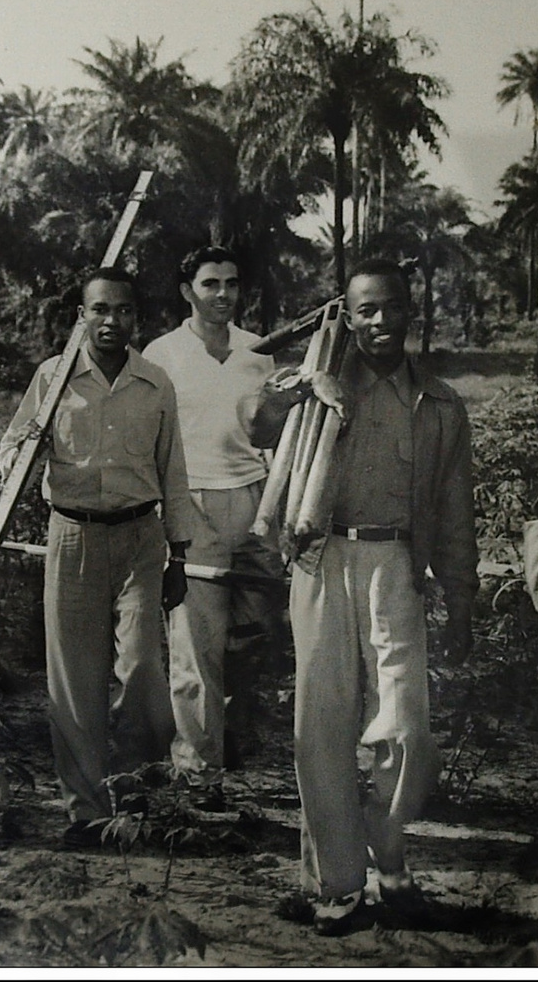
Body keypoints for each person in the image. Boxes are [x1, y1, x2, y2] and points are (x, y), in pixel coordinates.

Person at [250, 259, 478, 935]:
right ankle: (340, 886)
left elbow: (455, 508)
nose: (380, 322)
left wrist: (460, 598)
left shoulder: (439, 405)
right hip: (321, 557)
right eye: (366, 311)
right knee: (321, 726)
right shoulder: (317, 390)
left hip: (397, 566)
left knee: (405, 728)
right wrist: (294, 390)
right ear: (347, 318)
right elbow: (256, 424)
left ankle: (392, 857)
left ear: (411, 313)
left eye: (393, 308)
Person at [0, 269, 193, 848]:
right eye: (99, 310)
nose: (112, 322)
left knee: (142, 672)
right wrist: (25, 447)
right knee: (75, 682)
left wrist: (178, 556)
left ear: (137, 317)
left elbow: (173, 472)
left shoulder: (155, 383)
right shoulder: (52, 380)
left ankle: (134, 799)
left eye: (124, 311)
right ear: (81, 316)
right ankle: (84, 814)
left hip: (140, 539)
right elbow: (12, 454)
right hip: (73, 538)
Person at [142, 246, 284, 812]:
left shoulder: (258, 354)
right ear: (187, 291)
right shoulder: (163, 354)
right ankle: (199, 773)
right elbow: (152, 440)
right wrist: (168, 513)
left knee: (260, 629)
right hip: (190, 502)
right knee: (196, 647)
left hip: (253, 501)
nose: (221, 294)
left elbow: (268, 431)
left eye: (230, 283)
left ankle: (230, 733)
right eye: (209, 284)